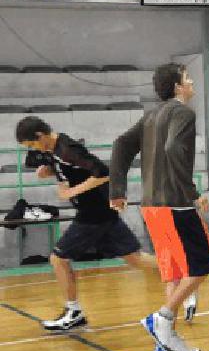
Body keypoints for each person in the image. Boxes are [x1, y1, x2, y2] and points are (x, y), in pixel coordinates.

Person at [110, 63, 209, 351]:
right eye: (187, 78)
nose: (192, 81)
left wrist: (117, 191)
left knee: (172, 271)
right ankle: (163, 318)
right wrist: (193, 193)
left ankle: (165, 341)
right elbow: (173, 149)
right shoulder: (183, 113)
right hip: (174, 204)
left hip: (151, 207)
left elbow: (121, 144)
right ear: (177, 86)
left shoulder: (150, 116)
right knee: (202, 265)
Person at [15, 116, 158, 332]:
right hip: (101, 211)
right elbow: (66, 167)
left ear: (40, 136)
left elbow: (102, 172)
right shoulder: (53, 150)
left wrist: (72, 191)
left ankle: (73, 312)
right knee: (136, 259)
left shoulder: (67, 149)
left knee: (58, 258)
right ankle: (182, 274)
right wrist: (48, 171)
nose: (33, 149)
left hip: (93, 213)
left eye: (32, 144)